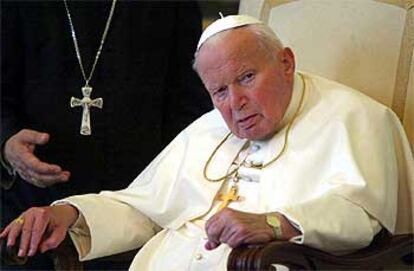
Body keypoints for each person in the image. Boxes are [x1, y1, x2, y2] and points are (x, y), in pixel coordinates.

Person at [2, 15, 413, 271]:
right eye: (219, 91)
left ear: (285, 62)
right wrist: (71, 213)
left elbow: (364, 216)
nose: (235, 104)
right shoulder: (207, 128)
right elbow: (145, 207)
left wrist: (274, 223)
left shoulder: (356, 116)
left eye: (247, 78)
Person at [1, 0, 210, 270]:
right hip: (33, 203)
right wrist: (6, 142)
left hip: (135, 202)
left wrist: (169, 183)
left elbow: (191, 98)